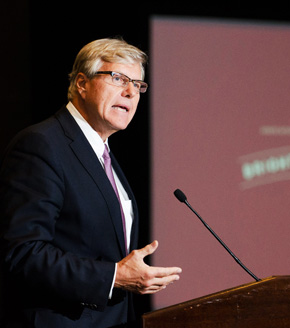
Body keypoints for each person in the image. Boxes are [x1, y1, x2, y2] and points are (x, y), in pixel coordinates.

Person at [0, 37, 182, 327]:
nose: (130, 92)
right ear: (82, 84)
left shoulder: (102, 152)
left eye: (137, 84)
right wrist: (114, 276)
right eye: (119, 78)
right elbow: (24, 253)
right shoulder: (42, 145)